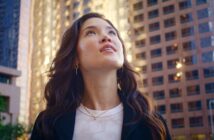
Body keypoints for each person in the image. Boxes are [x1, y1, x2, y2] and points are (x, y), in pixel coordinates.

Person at [31, 12, 171, 140]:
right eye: (91, 33)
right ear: (75, 58)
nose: (106, 37)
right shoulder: (48, 124)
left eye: (112, 32)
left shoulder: (152, 123)